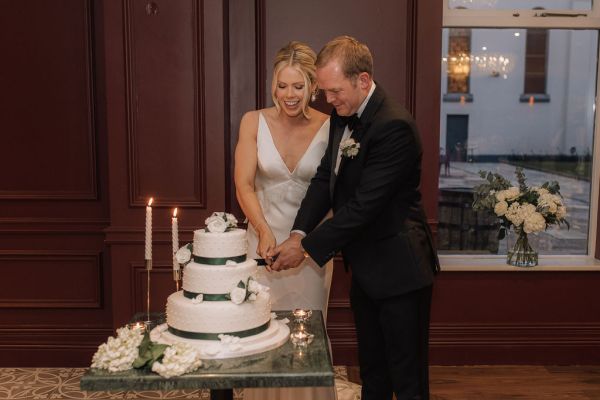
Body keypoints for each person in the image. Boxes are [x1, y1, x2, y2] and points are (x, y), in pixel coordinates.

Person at [271, 36, 440, 400]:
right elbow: (323, 180)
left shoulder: (394, 126)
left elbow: (364, 207)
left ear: (363, 80)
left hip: (400, 272)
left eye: (334, 91)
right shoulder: (341, 115)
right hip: (365, 268)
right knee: (373, 372)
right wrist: (298, 233)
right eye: (325, 92)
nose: (327, 100)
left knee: (407, 379)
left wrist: (306, 249)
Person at [234, 41, 336, 400]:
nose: (289, 95)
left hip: (309, 249)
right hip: (262, 245)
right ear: (273, 85)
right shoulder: (253, 121)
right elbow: (244, 184)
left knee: (305, 334)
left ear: (312, 85)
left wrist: (309, 245)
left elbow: (337, 194)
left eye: (297, 86)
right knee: (261, 332)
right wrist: (262, 230)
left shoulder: (332, 125)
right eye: (282, 85)